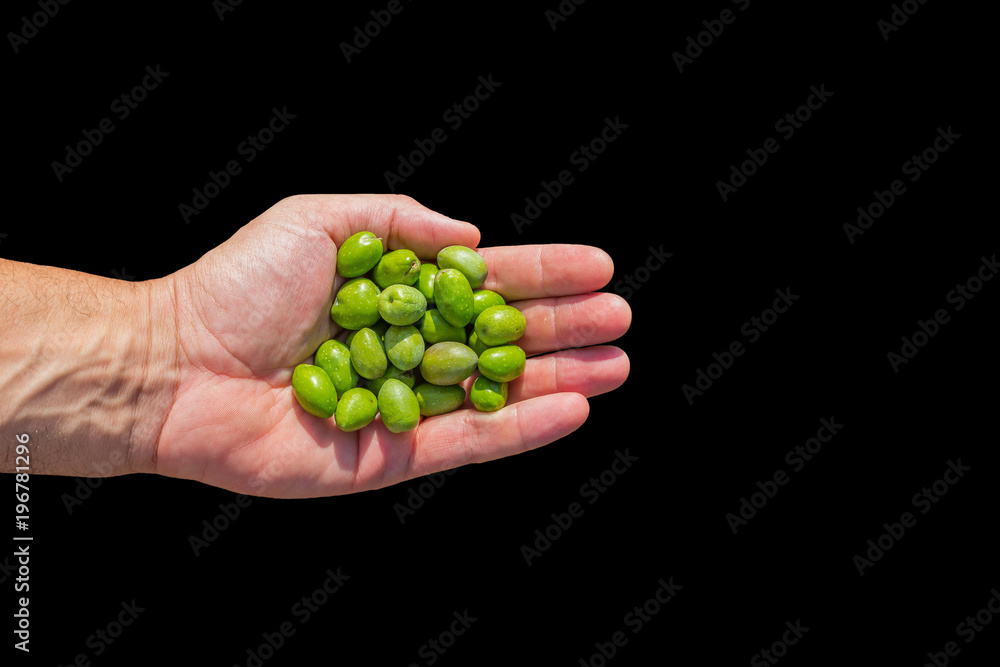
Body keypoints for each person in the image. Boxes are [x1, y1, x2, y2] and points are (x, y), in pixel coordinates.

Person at [0, 194, 631, 498]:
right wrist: (165, 342)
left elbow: (409, 354)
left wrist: (161, 346)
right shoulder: (383, 320)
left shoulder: (415, 321)